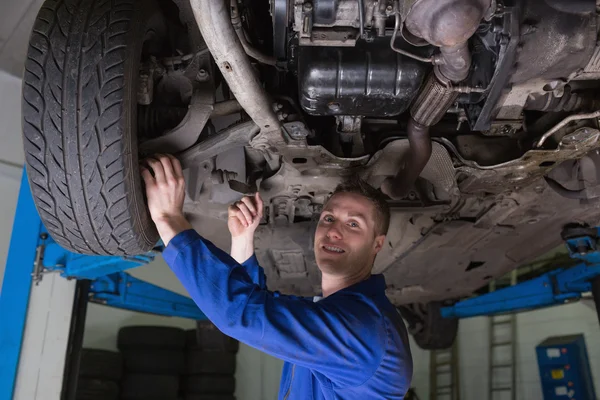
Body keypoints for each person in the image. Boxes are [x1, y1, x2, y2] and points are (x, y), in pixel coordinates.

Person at [141, 154, 413, 399]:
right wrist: (243, 240)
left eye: (353, 224)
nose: (333, 231)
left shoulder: (362, 330)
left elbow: (240, 315)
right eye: (328, 218)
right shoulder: (342, 316)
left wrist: (169, 220)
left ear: (377, 243)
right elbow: (261, 312)